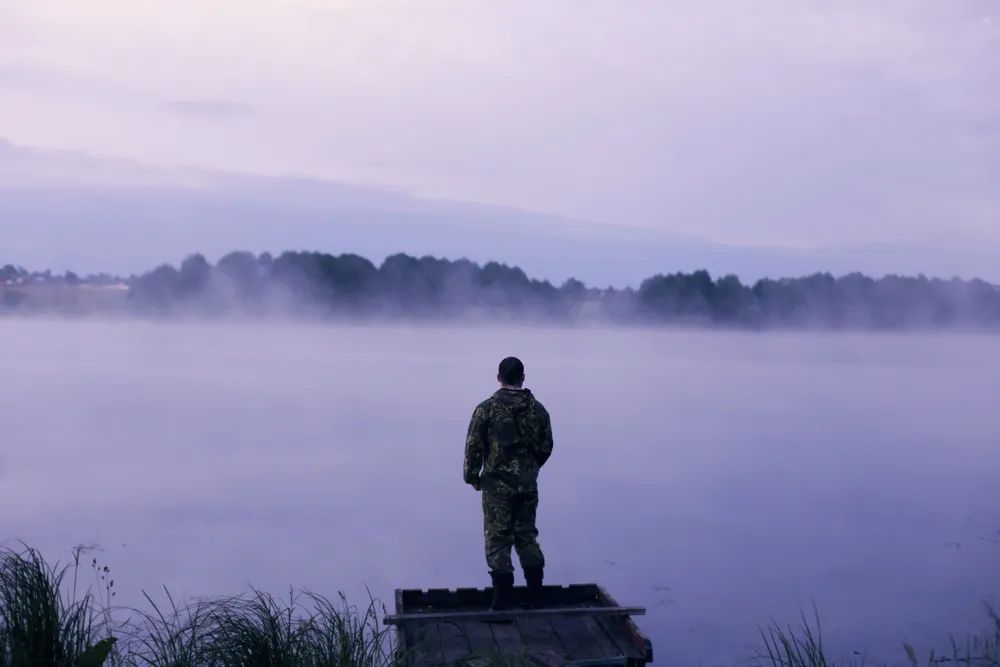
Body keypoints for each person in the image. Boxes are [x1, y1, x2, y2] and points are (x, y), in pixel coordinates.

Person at [464, 356, 554, 611]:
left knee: (498, 538)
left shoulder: (486, 409)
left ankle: (502, 601)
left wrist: (472, 477)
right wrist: (530, 469)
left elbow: (474, 446)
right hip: (527, 485)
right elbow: (547, 446)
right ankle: (535, 597)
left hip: (496, 487)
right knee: (527, 536)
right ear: (523, 377)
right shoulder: (538, 409)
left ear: (498, 378)